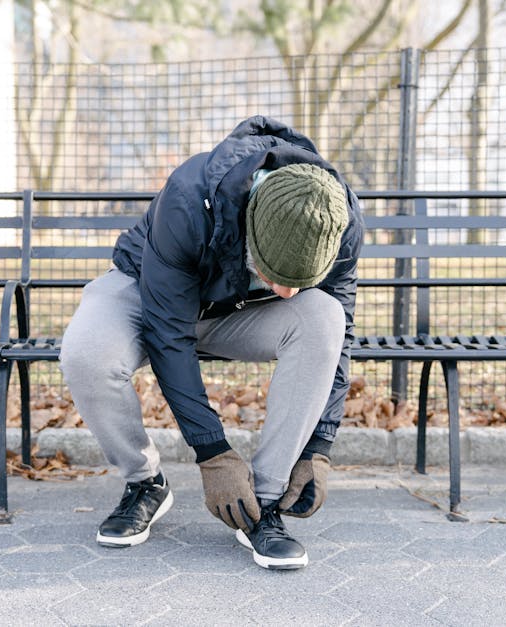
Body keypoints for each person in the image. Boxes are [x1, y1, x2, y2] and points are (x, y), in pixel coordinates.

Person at [59, 115, 363, 570]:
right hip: (149, 293)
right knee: (87, 353)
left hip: (236, 312)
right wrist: (213, 454)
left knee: (325, 316)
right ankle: (145, 483)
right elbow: (168, 334)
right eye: (276, 275)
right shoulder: (189, 198)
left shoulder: (338, 220)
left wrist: (320, 445)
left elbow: (342, 335)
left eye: (299, 282)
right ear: (251, 225)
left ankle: (263, 503)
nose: (285, 293)